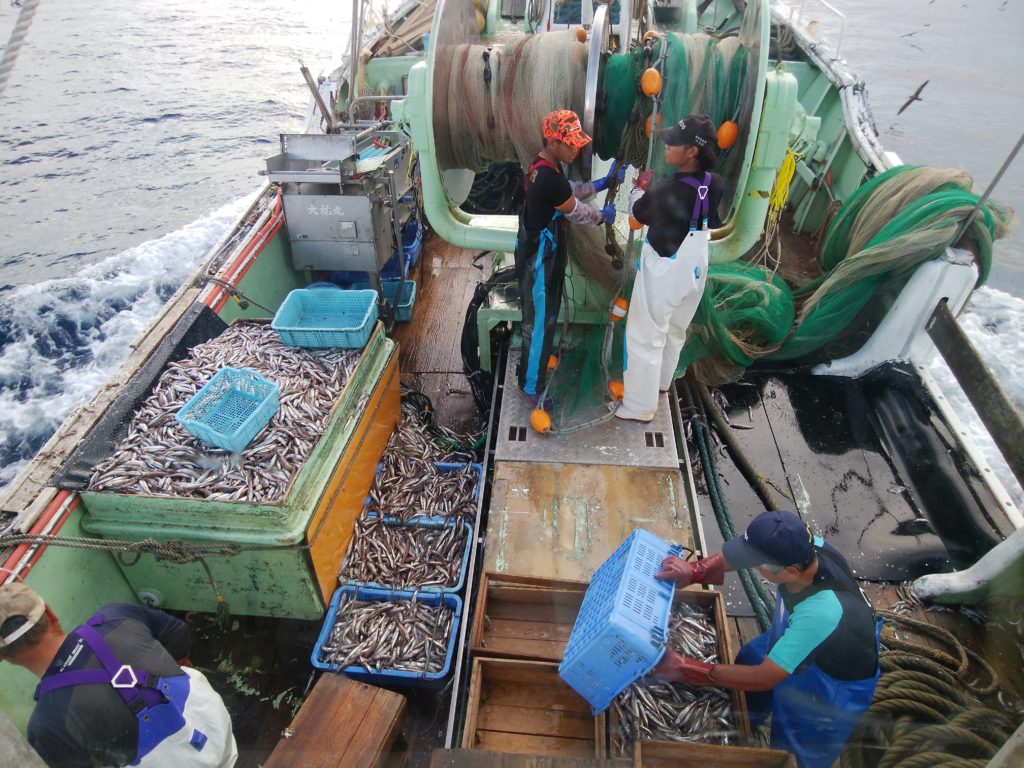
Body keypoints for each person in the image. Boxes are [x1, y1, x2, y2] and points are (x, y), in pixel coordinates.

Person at [654, 510, 882, 768]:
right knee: (750, 657)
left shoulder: (820, 612)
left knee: (796, 750)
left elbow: (766, 677)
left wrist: (685, 668)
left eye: (757, 563)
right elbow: (742, 554)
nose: (751, 566)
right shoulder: (806, 546)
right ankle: (740, 725)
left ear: (790, 571)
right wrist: (695, 571)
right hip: (799, 635)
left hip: (829, 683)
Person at [0, 583, 237, 767]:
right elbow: (178, 633)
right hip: (216, 726)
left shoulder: (45, 726)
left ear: (2, 657)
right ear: (50, 614)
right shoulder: (114, 614)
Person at [615, 114, 724, 422]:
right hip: (696, 266)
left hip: (667, 267)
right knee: (675, 330)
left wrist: (639, 189)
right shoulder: (714, 183)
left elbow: (636, 217)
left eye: (674, 142)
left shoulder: (665, 192)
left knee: (644, 336)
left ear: (692, 151)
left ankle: (639, 407)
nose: (666, 145)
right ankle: (662, 384)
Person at [516, 109, 621, 407]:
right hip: (539, 259)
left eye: (578, 143)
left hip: (535, 251)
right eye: (571, 143)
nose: (577, 149)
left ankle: (527, 373)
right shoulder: (549, 179)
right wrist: (603, 216)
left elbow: (570, 190)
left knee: (539, 318)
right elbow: (574, 209)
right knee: (540, 322)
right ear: (553, 141)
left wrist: (602, 183)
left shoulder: (543, 165)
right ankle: (531, 386)